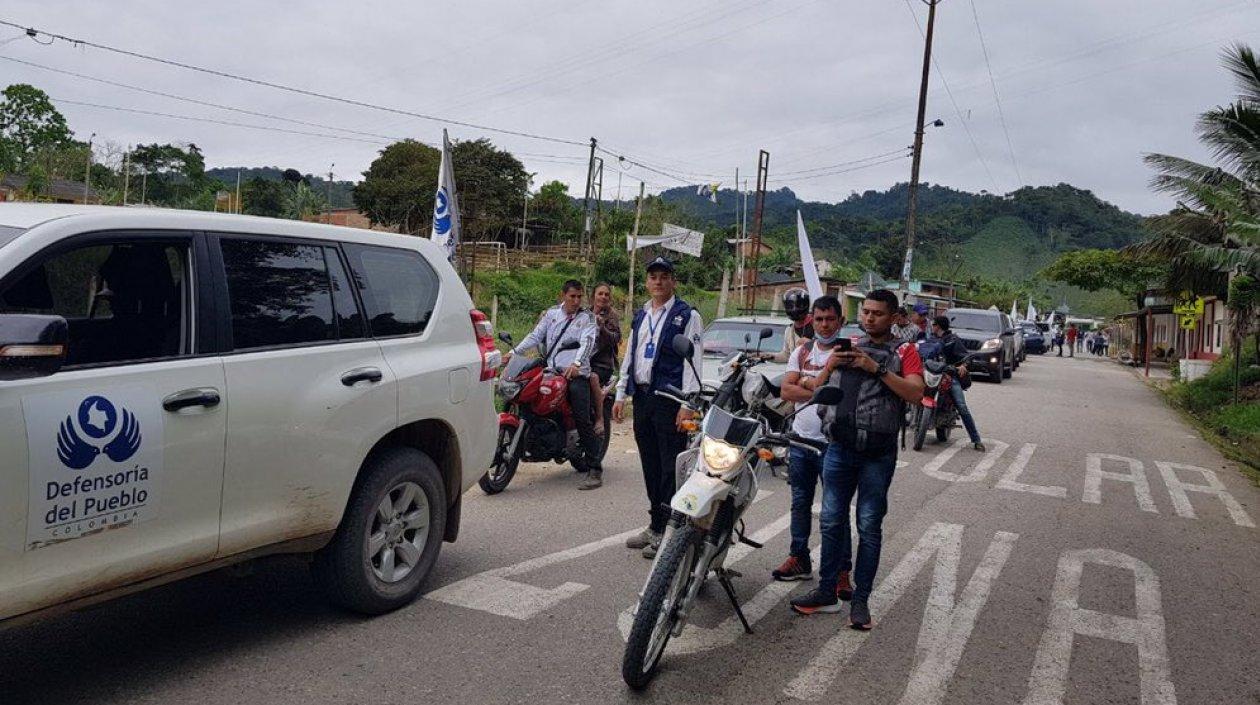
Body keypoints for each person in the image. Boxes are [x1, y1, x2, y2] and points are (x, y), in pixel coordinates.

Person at [790, 288, 924, 629]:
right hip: (838, 448)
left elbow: (915, 392)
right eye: (865, 312)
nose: (869, 318)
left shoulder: (905, 351)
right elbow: (817, 389)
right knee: (831, 520)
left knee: (868, 526)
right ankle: (825, 591)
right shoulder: (846, 345)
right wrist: (830, 365)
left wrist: (875, 368)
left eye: (877, 313)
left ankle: (860, 601)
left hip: (877, 454)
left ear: (893, 318)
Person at [613, 257, 705, 558]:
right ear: (647, 281)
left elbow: (693, 361)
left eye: (664, 277)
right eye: (653, 277)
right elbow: (631, 356)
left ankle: (670, 529)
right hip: (643, 398)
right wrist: (620, 394)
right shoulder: (641, 315)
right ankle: (655, 524)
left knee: (670, 467)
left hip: (670, 401)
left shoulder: (686, 315)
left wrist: (688, 404)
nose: (658, 282)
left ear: (673, 281)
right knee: (650, 464)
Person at [771, 295, 848, 592]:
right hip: (801, 441)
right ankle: (799, 557)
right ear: (811, 321)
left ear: (840, 321)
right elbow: (786, 391)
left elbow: (841, 394)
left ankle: (842, 570)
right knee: (800, 502)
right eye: (819, 319)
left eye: (830, 319)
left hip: (834, 443)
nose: (825, 325)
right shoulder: (802, 351)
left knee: (835, 510)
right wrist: (813, 386)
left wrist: (805, 382)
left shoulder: (848, 354)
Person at [502, 280, 602, 487]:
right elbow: (535, 335)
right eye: (572, 296)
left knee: (582, 418)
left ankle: (594, 469)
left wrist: (576, 364)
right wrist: (513, 353)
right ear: (562, 295)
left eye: (579, 296)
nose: (576, 300)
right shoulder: (552, 314)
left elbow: (588, 342)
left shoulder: (587, 318)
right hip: (551, 370)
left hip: (576, 374)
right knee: (528, 398)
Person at [931, 316, 985, 452]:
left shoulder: (953, 340)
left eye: (934, 324)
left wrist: (964, 365)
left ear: (938, 326)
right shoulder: (930, 339)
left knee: (962, 407)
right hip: (931, 375)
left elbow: (965, 356)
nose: (932, 327)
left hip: (949, 376)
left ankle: (976, 440)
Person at [773, 287, 814, 363]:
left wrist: (811, 344)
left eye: (798, 305)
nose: (794, 309)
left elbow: (826, 349)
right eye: (790, 306)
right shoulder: (789, 330)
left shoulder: (817, 325)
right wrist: (769, 356)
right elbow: (787, 355)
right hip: (797, 372)